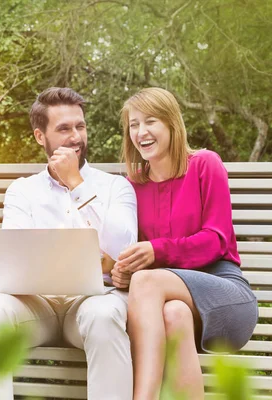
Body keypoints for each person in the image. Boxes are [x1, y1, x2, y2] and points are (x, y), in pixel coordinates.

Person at [0, 87, 138, 400]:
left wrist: (76, 184)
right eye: (63, 129)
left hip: (94, 300)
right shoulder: (22, 192)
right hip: (38, 306)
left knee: (105, 316)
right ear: (40, 137)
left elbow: (121, 248)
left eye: (80, 126)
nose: (76, 137)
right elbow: (16, 258)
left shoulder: (116, 186)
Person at [113, 87, 258, 400]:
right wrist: (122, 271)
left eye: (150, 121)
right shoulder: (131, 187)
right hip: (172, 303)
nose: (141, 132)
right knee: (174, 313)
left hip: (226, 294)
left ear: (172, 124)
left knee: (147, 281)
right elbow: (128, 254)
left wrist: (156, 253)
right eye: (133, 124)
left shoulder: (205, 164)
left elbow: (217, 241)